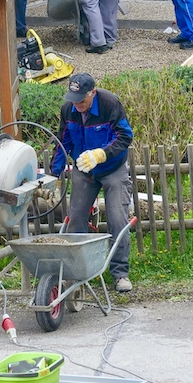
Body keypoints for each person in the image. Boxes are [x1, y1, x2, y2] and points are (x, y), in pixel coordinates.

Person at [51, 73, 135, 292]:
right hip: (84, 169)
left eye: (81, 99)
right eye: (73, 99)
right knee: (76, 219)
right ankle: (77, 273)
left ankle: (120, 274)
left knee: (117, 218)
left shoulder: (109, 104)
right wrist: (54, 173)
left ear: (92, 93)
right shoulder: (69, 109)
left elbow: (125, 136)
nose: (76, 104)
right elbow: (63, 143)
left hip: (112, 168)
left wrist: (101, 154)